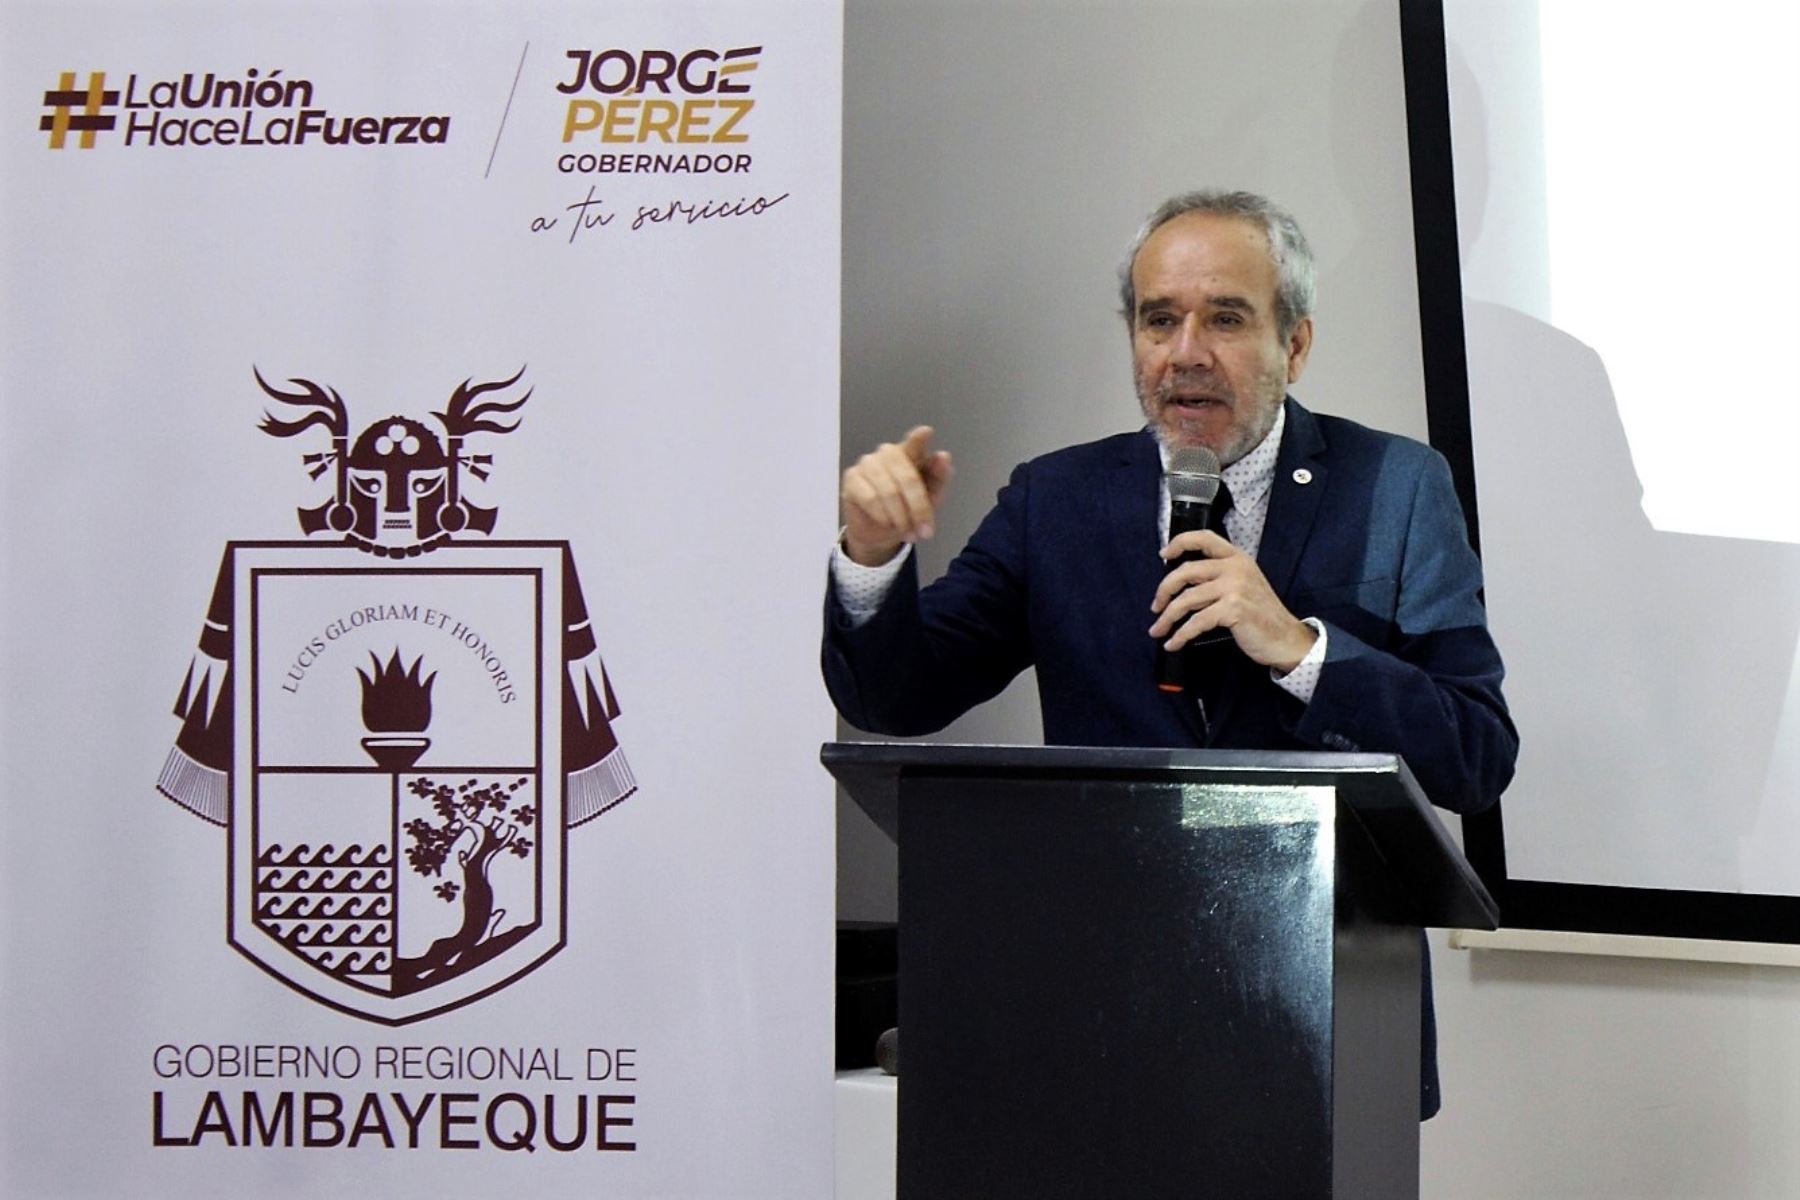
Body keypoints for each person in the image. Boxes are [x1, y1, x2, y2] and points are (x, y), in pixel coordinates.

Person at [822, 189, 1518, 1119]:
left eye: (1226, 318)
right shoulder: (1057, 500)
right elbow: (896, 695)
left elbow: (1476, 753)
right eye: (1160, 320)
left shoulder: (1395, 486)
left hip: (1325, 1022)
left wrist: (1303, 649)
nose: (1186, 353)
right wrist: (871, 557)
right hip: (1089, 1016)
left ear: (1295, 345)